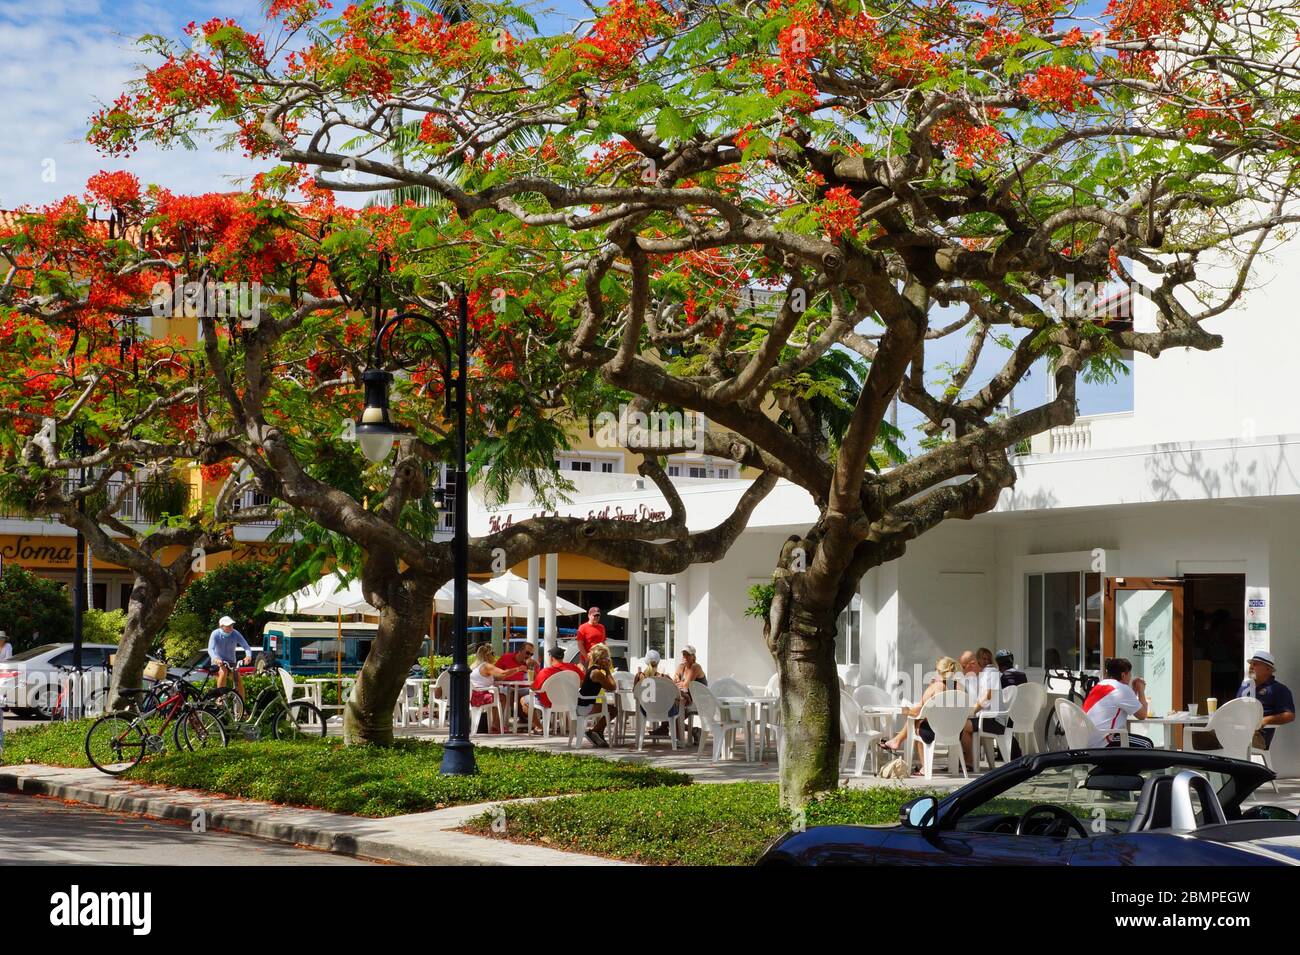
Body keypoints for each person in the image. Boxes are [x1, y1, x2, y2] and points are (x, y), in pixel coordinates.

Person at [881, 656, 959, 773]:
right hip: (955, 732)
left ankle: (925, 768)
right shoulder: (958, 687)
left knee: (915, 722)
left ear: (938, 671)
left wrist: (905, 710)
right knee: (917, 721)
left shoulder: (936, 687)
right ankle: (896, 741)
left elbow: (920, 712)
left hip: (934, 732)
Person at [1082, 657, 1152, 748]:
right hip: (1102, 741)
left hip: (1086, 739)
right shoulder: (1121, 689)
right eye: (1129, 674)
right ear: (1123, 675)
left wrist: (1133, 692)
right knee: (1147, 744)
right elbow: (1142, 715)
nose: (1130, 677)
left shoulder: (1100, 685)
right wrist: (1141, 690)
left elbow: (1121, 706)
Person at [1236, 651, 1295, 751]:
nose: (1251, 667)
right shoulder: (1245, 686)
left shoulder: (1278, 689)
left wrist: (1264, 721)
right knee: (1205, 737)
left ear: (1268, 669)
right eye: (1250, 664)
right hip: (1237, 729)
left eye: (1255, 664)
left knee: (1232, 743)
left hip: (1257, 735)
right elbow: (1235, 707)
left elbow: (1289, 716)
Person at [471, 643, 528, 733]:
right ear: (488, 655)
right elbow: (502, 673)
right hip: (480, 697)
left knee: (499, 696)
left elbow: (498, 677)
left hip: (472, 696)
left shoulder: (475, 666)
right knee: (502, 698)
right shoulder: (486, 666)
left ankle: (495, 724)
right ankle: (496, 726)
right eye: (493, 654)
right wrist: (518, 669)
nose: (494, 656)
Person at [961, 647, 1004, 764]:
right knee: (960, 724)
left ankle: (969, 760)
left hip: (994, 721)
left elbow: (988, 696)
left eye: (966, 667)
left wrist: (972, 711)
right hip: (986, 718)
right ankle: (967, 760)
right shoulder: (982, 675)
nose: (965, 671)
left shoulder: (991, 672)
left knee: (960, 725)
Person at [527, 644, 583, 731]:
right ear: (562, 657)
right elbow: (582, 681)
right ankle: (567, 727)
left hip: (550, 702)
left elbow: (534, 688)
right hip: (569, 702)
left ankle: (539, 727)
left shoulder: (546, 671)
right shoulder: (573, 668)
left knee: (524, 700)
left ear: (551, 658)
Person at [578, 643, 617, 747]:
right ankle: (594, 732)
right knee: (613, 710)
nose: (608, 660)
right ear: (598, 659)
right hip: (585, 706)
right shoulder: (597, 673)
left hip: (584, 703)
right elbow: (613, 687)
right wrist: (608, 671)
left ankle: (598, 733)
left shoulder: (594, 669)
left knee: (610, 709)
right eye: (605, 658)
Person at [208, 615, 252, 700]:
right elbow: (211, 649)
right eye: (228, 625)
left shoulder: (235, 633)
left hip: (231, 661)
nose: (230, 627)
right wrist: (216, 659)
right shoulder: (215, 634)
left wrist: (248, 656)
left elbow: (246, 647)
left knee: (238, 680)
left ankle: (242, 706)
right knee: (223, 671)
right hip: (218, 661)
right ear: (221, 626)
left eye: (231, 625)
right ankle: (220, 698)